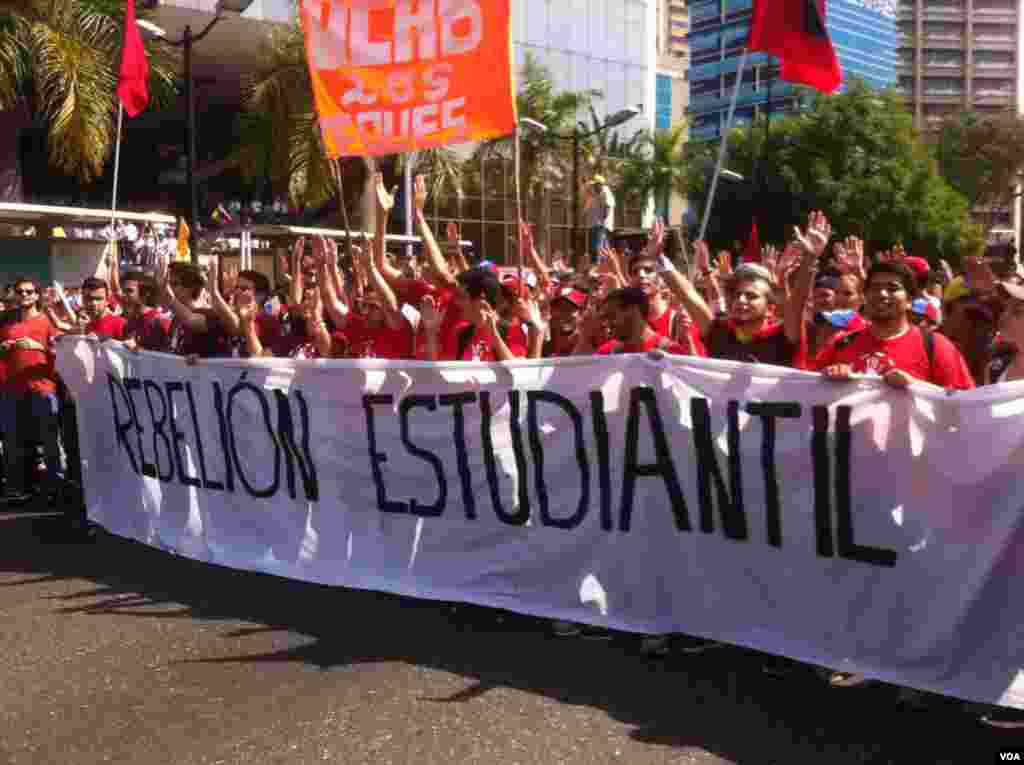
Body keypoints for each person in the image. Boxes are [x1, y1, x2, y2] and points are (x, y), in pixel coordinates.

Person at [816, 261, 974, 392]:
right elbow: (808, 392)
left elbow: (963, 402)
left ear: (910, 301)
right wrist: (829, 378)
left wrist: (915, 385)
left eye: (893, 288)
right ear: (865, 297)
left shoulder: (936, 346)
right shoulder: (840, 344)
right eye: (875, 288)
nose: (882, 294)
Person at [0, 278, 63, 508]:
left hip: (43, 389)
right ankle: (17, 488)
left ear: (37, 295)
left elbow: (62, 353)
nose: (24, 295)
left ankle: (56, 487)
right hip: (11, 389)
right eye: (20, 291)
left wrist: (38, 347)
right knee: (12, 442)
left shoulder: (48, 321)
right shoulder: (5, 321)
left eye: (29, 291)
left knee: (49, 442)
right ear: (15, 295)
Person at [583, 175, 615, 263]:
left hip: (600, 224)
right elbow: (587, 205)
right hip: (595, 223)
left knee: (597, 246)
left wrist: (602, 220)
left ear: (600, 184)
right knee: (602, 246)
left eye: (595, 185)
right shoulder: (594, 192)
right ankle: (606, 263)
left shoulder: (605, 191)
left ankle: (597, 264)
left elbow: (608, 206)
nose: (593, 186)